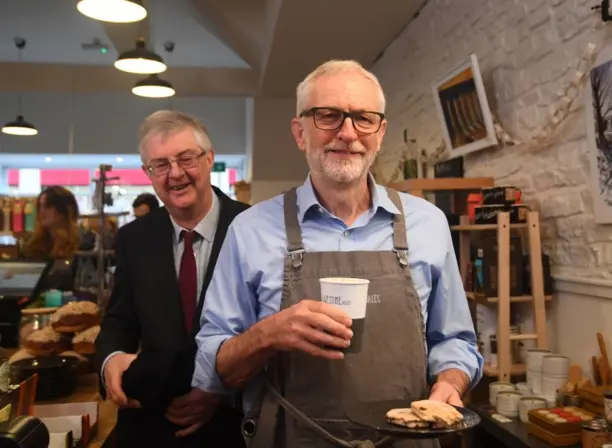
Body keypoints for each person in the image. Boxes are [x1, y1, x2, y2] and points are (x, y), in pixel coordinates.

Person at [192, 60, 484, 448]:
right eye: (328, 116)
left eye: (363, 118)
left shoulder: (427, 225)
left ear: (380, 134)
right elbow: (213, 369)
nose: (347, 133)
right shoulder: (250, 231)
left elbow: (455, 340)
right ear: (300, 132)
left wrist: (450, 381)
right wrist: (266, 336)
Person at [95, 110, 249, 447]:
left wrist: (220, 392)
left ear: (209, 159)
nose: (175, 173)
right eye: (160, 165)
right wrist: (110, 361)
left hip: (237, 424)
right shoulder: (134, 238)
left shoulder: (255, 227)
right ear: (147, 173)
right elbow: (119, 320)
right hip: (153, 421)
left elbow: (272, 330)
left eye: (186, 158)